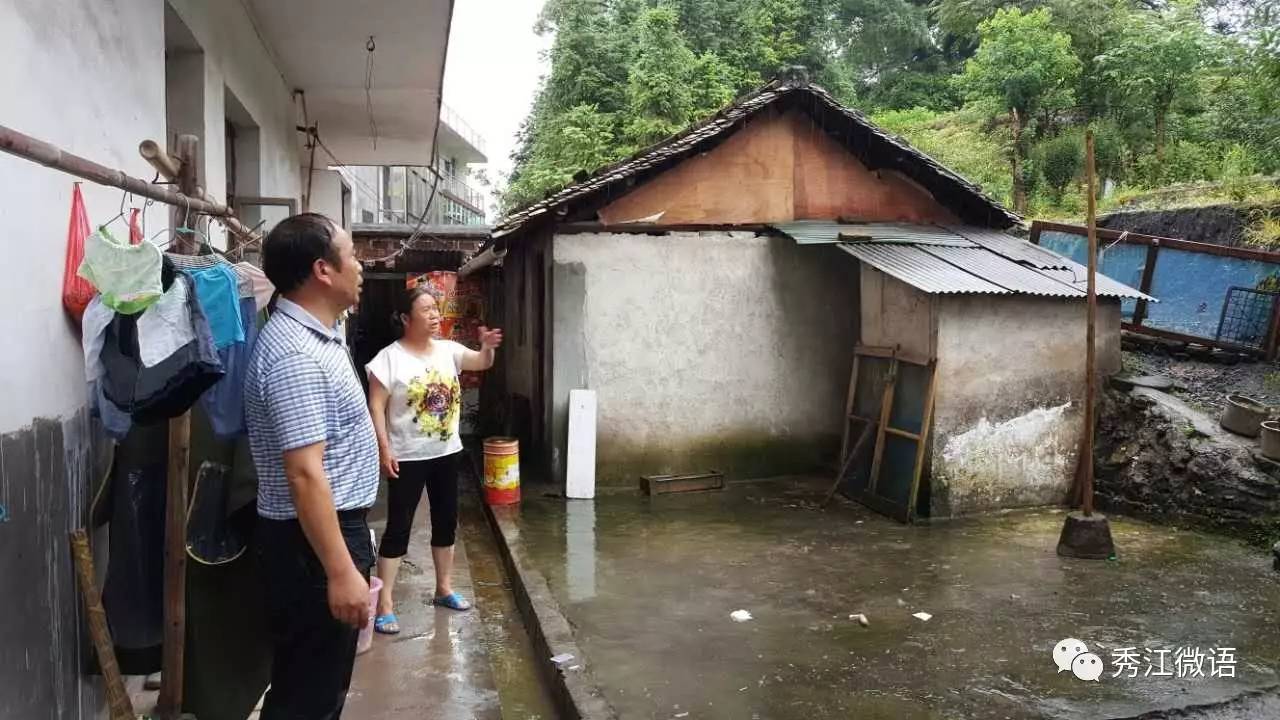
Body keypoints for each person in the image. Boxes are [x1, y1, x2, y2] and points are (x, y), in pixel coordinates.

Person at [243, 213, 379, 719]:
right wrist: (341, 571)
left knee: (313, 686)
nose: (361, 266)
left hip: (319, 536)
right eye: (352, 254)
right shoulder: (295, 355)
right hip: (312, 545)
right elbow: (304, 474)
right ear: (324, 269)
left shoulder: (319, 335)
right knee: (309, 697)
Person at [365, 284, 502, 633]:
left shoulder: (448, 350)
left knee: (446, 522)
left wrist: (487, 348)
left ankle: (444, 588)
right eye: (426, 310)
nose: (434, 315)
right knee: (398, 527)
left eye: (435, 309)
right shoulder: (388, 359)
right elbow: (376, 407)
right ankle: (385, 604)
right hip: (406, 456)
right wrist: (384, 448)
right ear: (405, 318)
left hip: (446, 452)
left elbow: (481, 363)